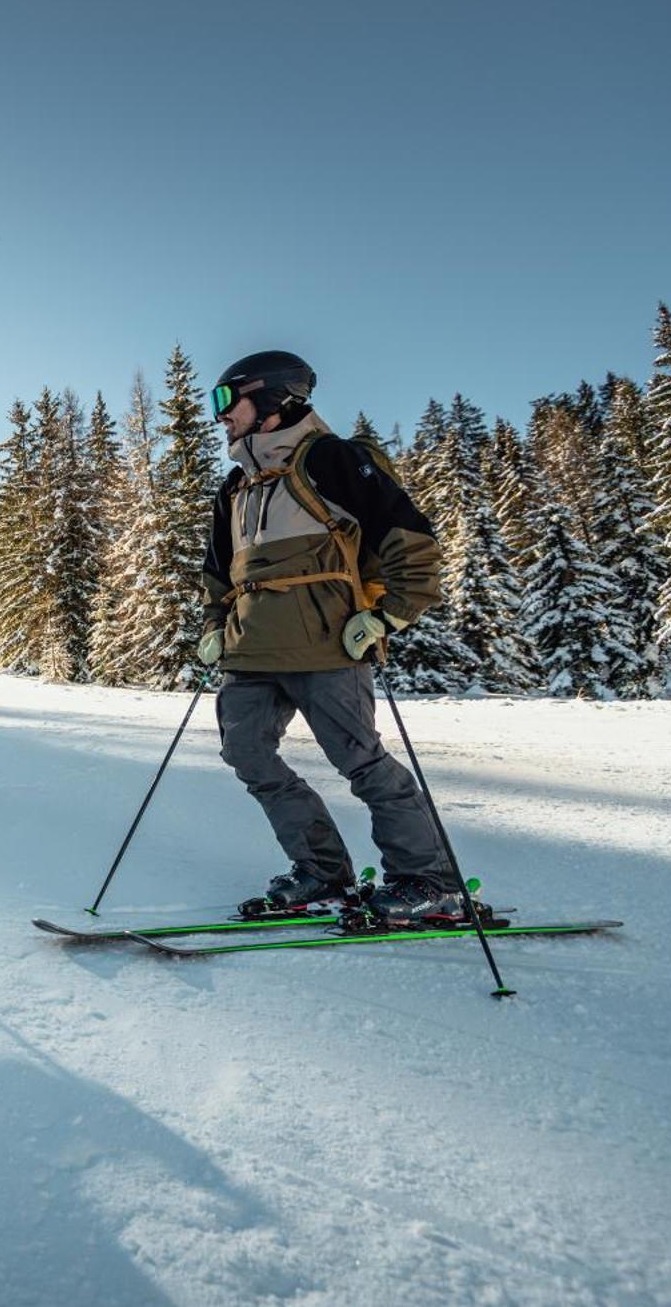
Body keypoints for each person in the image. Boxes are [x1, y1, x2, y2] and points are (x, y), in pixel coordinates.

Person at [197, 351, 454, 922]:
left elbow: (411, 541)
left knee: (361, 762)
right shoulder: (235, 488)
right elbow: (218, 573)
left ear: (270, 396)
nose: (219, 415)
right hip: (252, 648)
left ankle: (426, 879)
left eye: (225, 399)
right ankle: (322, 874)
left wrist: (389, 615)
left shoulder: (334, 460)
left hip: (327, 643)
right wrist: (216, 626)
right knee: (246, 753)